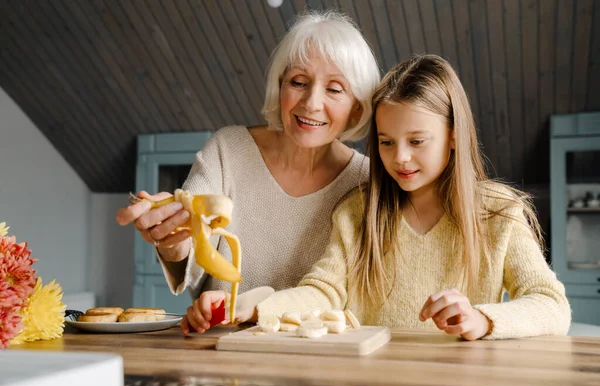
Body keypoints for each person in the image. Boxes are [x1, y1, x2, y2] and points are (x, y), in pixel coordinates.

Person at [254, 54, 571, 340]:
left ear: (454, 136)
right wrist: (257, 309)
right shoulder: (358, 212)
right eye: (387, 142)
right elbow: (322, 292)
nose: (400, 158)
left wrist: (482, 319)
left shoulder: (498, 212)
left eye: (417, 141)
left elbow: (552, 304)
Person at [115, 11, 380, 334]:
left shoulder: (367, 182)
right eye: (298, 82)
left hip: (315, 363)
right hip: (220, 349)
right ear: (279, 85)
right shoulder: (228, 150)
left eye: (335, 89)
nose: (311, 103)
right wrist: (172, 239)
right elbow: (191, 241)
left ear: (357, 107)